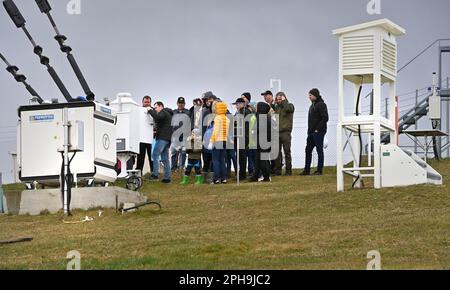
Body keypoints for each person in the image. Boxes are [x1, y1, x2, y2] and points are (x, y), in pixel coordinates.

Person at [301, 88, 329, 176]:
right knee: (308, 150)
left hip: (319, 132)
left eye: (311, 95)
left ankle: (319, 170)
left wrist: (318, 129)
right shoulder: (312, 105)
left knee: (319, 150)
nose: (309, 97)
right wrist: (309, 131)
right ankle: (306, 170)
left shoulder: (321, 105)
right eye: (309, 95)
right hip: (311, 132)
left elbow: (325, 118)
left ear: (315, 95)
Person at [147, 101, 173, 183]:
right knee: (165, 158)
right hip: (167, 139)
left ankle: (155, 175)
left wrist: (150, 110)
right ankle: (167, 178)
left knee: (155, 154)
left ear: (161, 106)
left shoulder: (163, 112)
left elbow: (157, 118)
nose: (155, 109)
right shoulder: (167, 113)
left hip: (162, 138)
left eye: (156, 108)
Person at [208, 101, 230, 184]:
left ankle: (216, 178)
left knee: (215, 160)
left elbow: (216, 131)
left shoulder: (217, 118)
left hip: (217, 140)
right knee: (222, 160)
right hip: (224, 141)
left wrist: (211, 141)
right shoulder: (227, 119)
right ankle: (223, 178)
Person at [249, 102, 272, 182]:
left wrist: (253, 131)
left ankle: (266, 176)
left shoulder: (261, 117)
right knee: (259, 160)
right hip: (264, 141)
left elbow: (258, 129)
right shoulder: (266, 116)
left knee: (262, 160)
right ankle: (257, 176)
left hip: (261, 142)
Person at [274, 92, 295, 176]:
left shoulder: (290, 105)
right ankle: (278, 171)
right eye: (277, 99)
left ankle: (288, 171)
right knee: (277, 153)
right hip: (277, 132)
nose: (279, 101)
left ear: (284, 98)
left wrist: (284, 101)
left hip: (286, 132)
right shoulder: (276, 108)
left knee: (287, 152)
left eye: (280, 99)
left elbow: (288, 109)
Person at [233, 97, 251, 180]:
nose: (236, 106)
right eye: (236, 104)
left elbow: (246, 126)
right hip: (239, 136)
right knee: (240, 156)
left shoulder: (245, 112)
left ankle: (242, 174)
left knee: (242, 156)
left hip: (243, 137)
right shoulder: (239, 112)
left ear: (242, 104)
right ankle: (241, 173)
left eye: (237, 104)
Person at [136, 96, 154, 174]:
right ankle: (138, 174)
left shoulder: (154, 110)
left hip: (151, 138)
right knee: (140, 157)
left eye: (148, 102)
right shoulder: (138, 111)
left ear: (150, 102)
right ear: (142, 102)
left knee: (152, 157)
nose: (147, 103)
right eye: (145, 102)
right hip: (141, 138)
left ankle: (153, 173)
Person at [171, 97, 190, 172]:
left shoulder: (188, 112)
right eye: (179, 103)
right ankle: (173, 168)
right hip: (175, 136)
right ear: (177, 103)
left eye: (182, 103)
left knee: (183, 152)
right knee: (174, 152)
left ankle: (181, 168)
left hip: (185, 135)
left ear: (184, 104)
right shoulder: (173, 112)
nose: (180, 104)